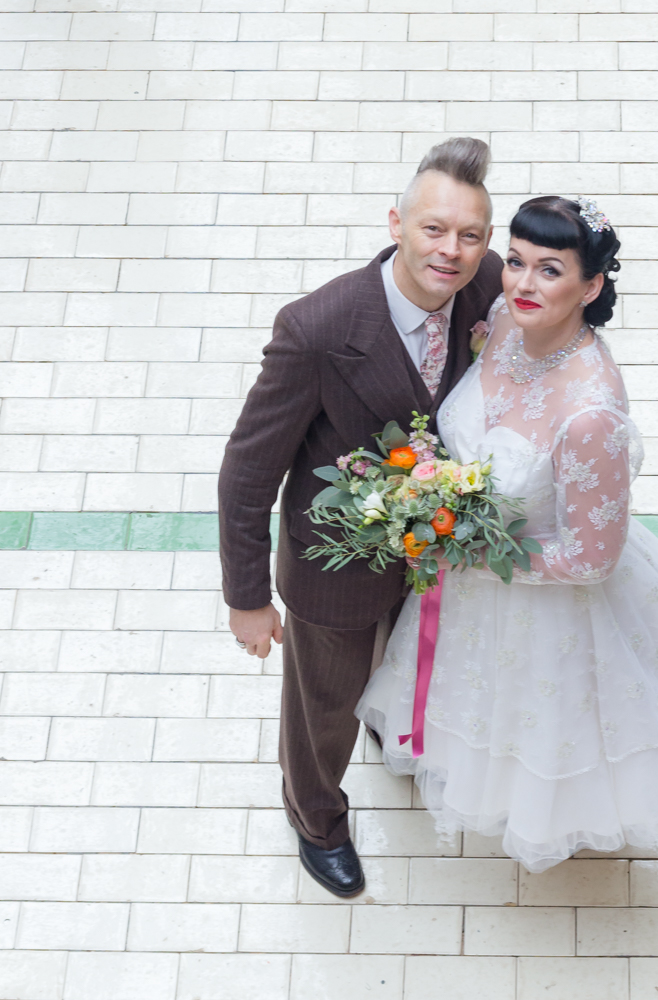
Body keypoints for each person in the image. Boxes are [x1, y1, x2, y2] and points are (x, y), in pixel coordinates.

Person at [356, 195, 658, 873]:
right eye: (515, 262)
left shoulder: (591, 412)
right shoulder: (504, 320)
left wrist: (469, 551)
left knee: (540, 734)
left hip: (540, 594)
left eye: (549, 271)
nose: (521, 284)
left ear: (591, 286)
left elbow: (591, 559)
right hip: (465, 565)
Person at [218, 138, 503, 897]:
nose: (452, 251)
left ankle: (391, 722)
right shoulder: (317, 329)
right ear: (396, 224)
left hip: (435, 554)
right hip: (334, 570)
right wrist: (247, 598)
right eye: (434, 229)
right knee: (323, 709)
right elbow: (247, 469)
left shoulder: (488, 290)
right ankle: (315, 815)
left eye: (471, 235)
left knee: (411, 661)